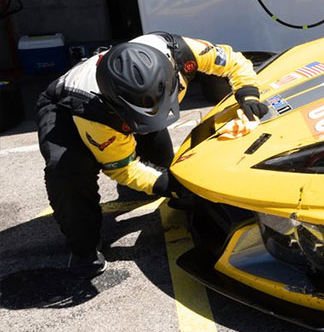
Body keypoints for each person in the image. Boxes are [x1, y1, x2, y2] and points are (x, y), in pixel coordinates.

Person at [36, 33, 267, 277]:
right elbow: (122, 167)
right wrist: (172, 185)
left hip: (130, 104)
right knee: (68, 172)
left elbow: (233, 61)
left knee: (163, 171)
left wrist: (248, 92)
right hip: (66, 107)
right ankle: (83, 248)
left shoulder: (181, 51)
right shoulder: (93, 111)